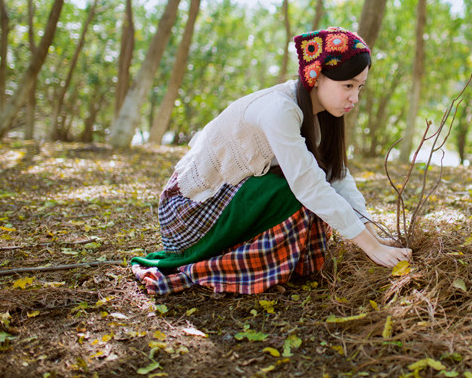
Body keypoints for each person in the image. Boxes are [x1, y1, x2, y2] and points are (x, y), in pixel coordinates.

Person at [131, 27, 412, 295]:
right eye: (348, 85)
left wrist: (372, 235)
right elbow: (309, 185)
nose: (355, 97)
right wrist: (371, 249)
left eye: (360, 87)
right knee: (295, 192)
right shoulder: (280, 109)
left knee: (308, 185)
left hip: (231, 199)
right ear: (316, 77)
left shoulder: (322, 113)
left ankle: (274, 261)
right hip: (188, 212)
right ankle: (234, 264)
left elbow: (338, 175)